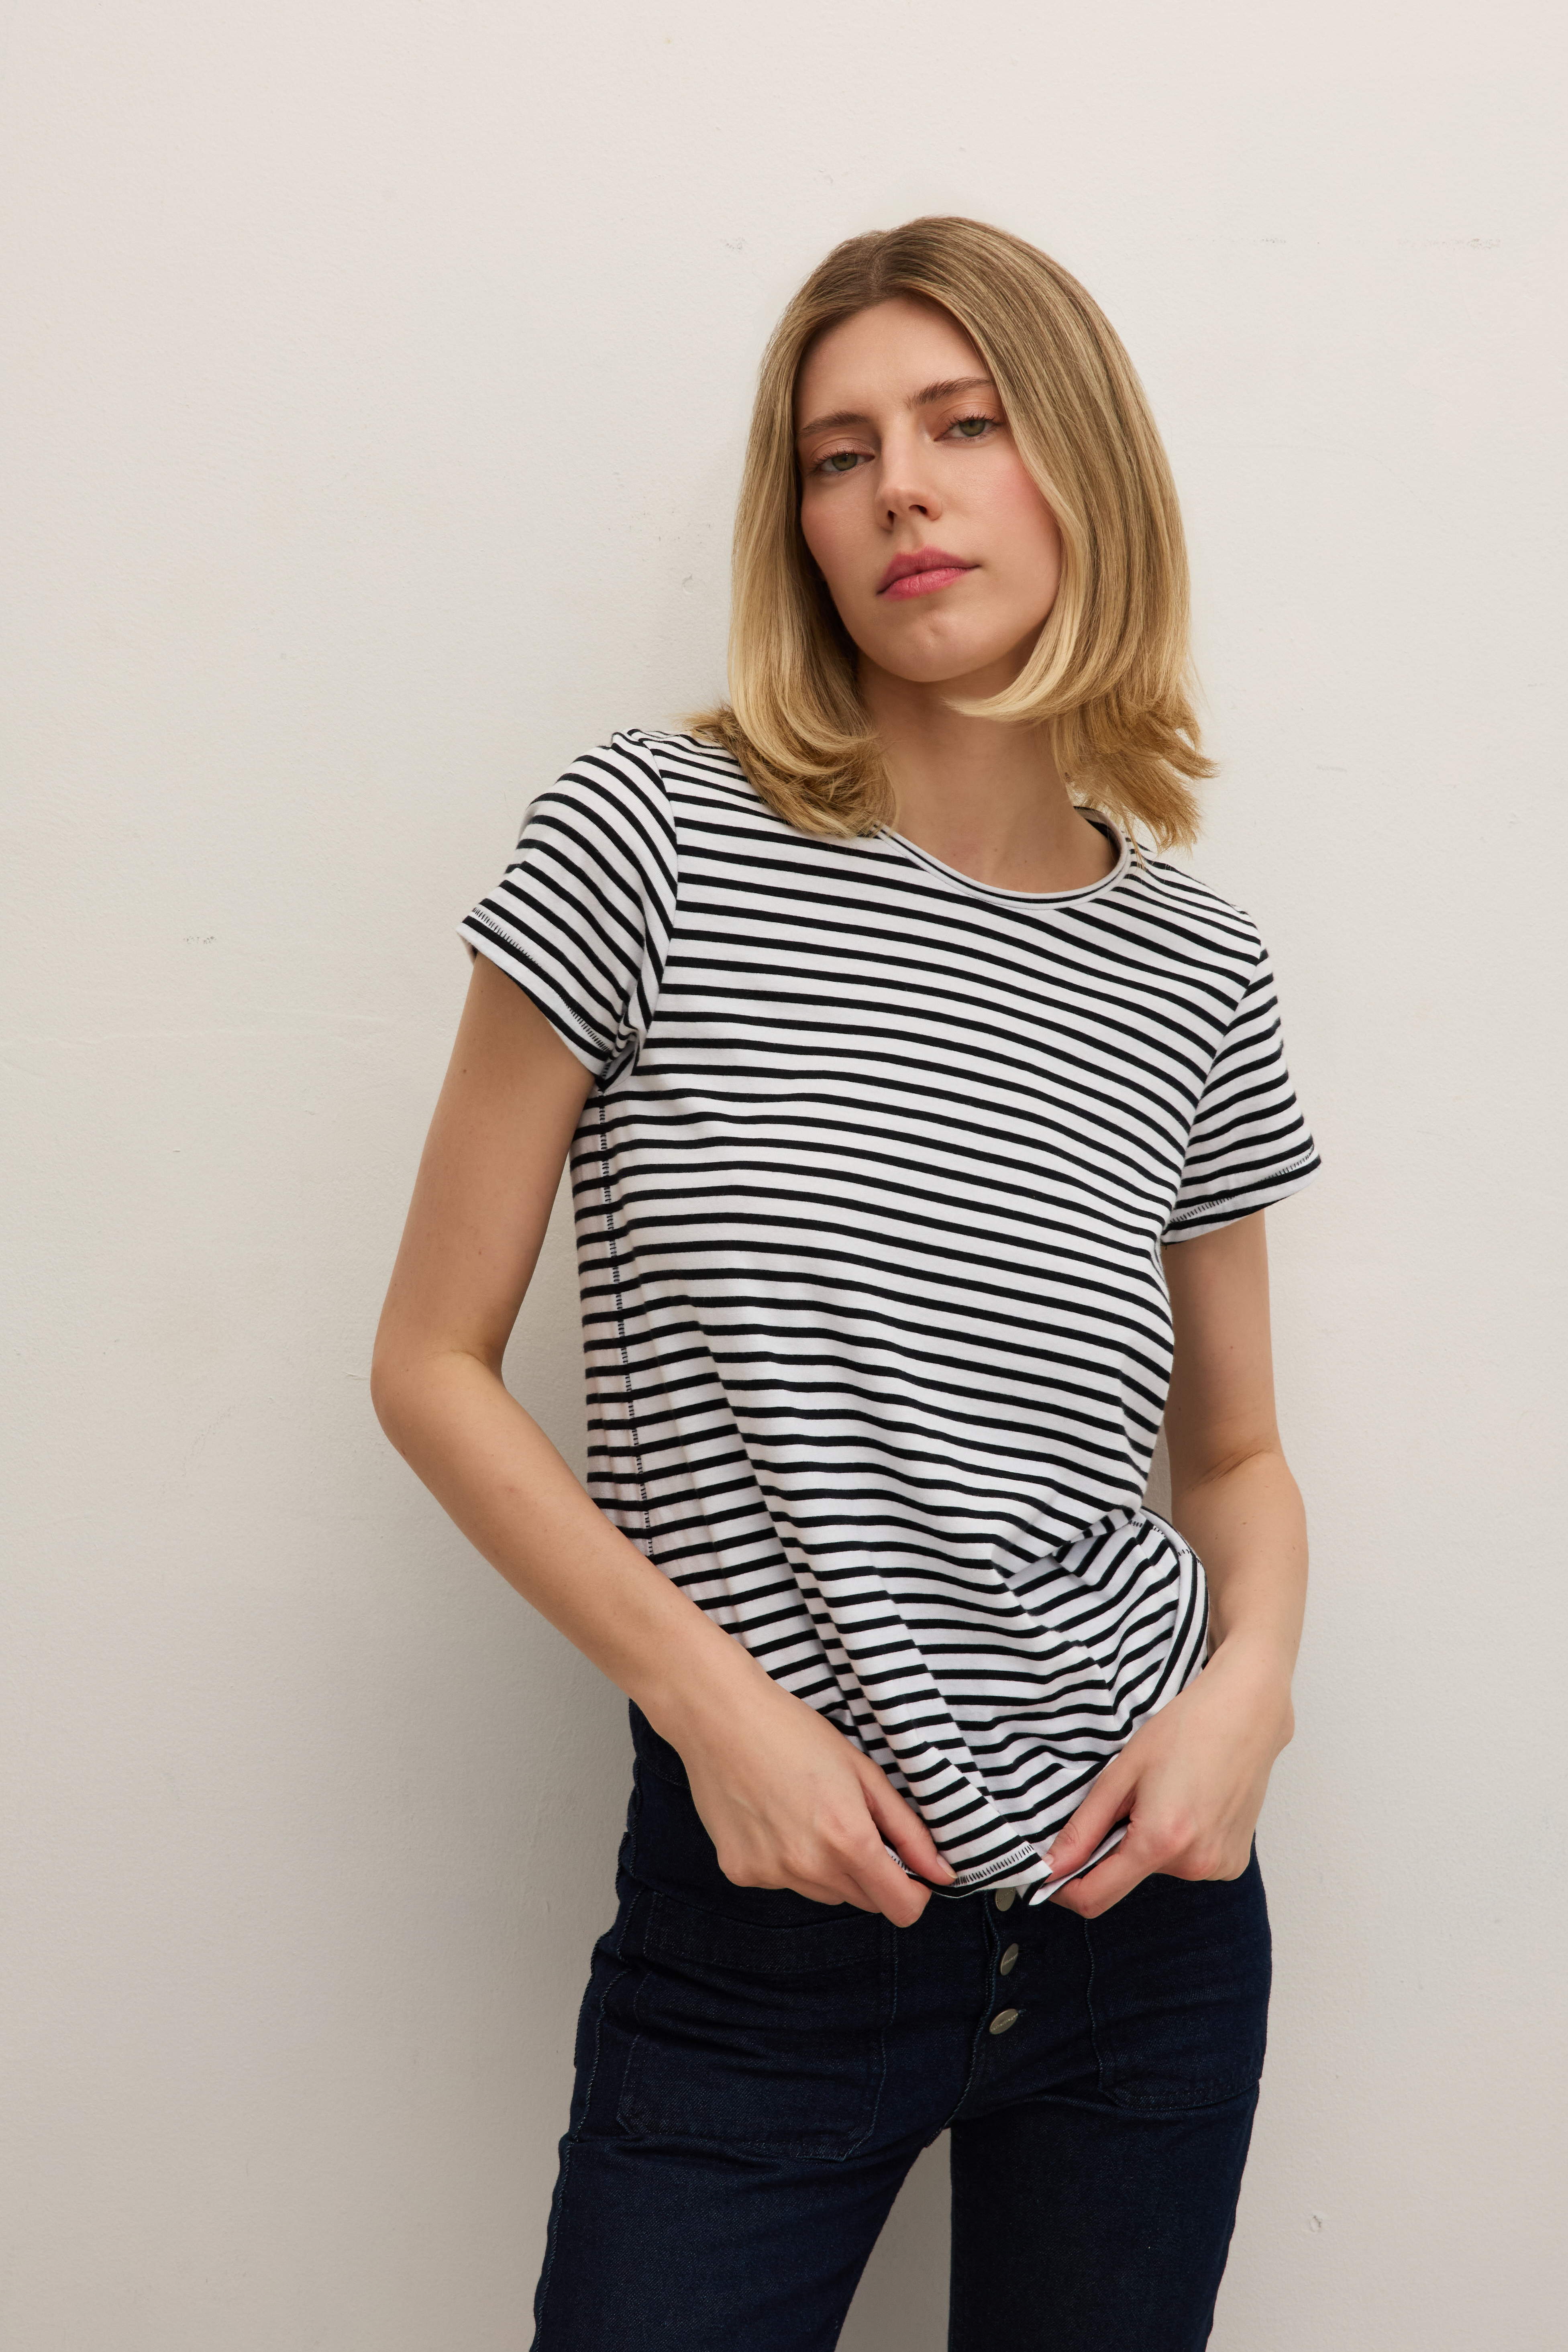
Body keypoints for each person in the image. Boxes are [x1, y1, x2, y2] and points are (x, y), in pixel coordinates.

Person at [371, 215, 1320, 2352]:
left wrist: (1244, 1694)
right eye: (836, 451)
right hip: (760, 1928)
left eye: (963, 425)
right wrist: (719, 1712)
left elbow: (1237, 1451)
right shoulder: (651, 840)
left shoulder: (1195, 966)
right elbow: (428, 1360)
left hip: (1139, 1929)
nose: (897, 485)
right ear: (794, 522)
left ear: (1078, 468)